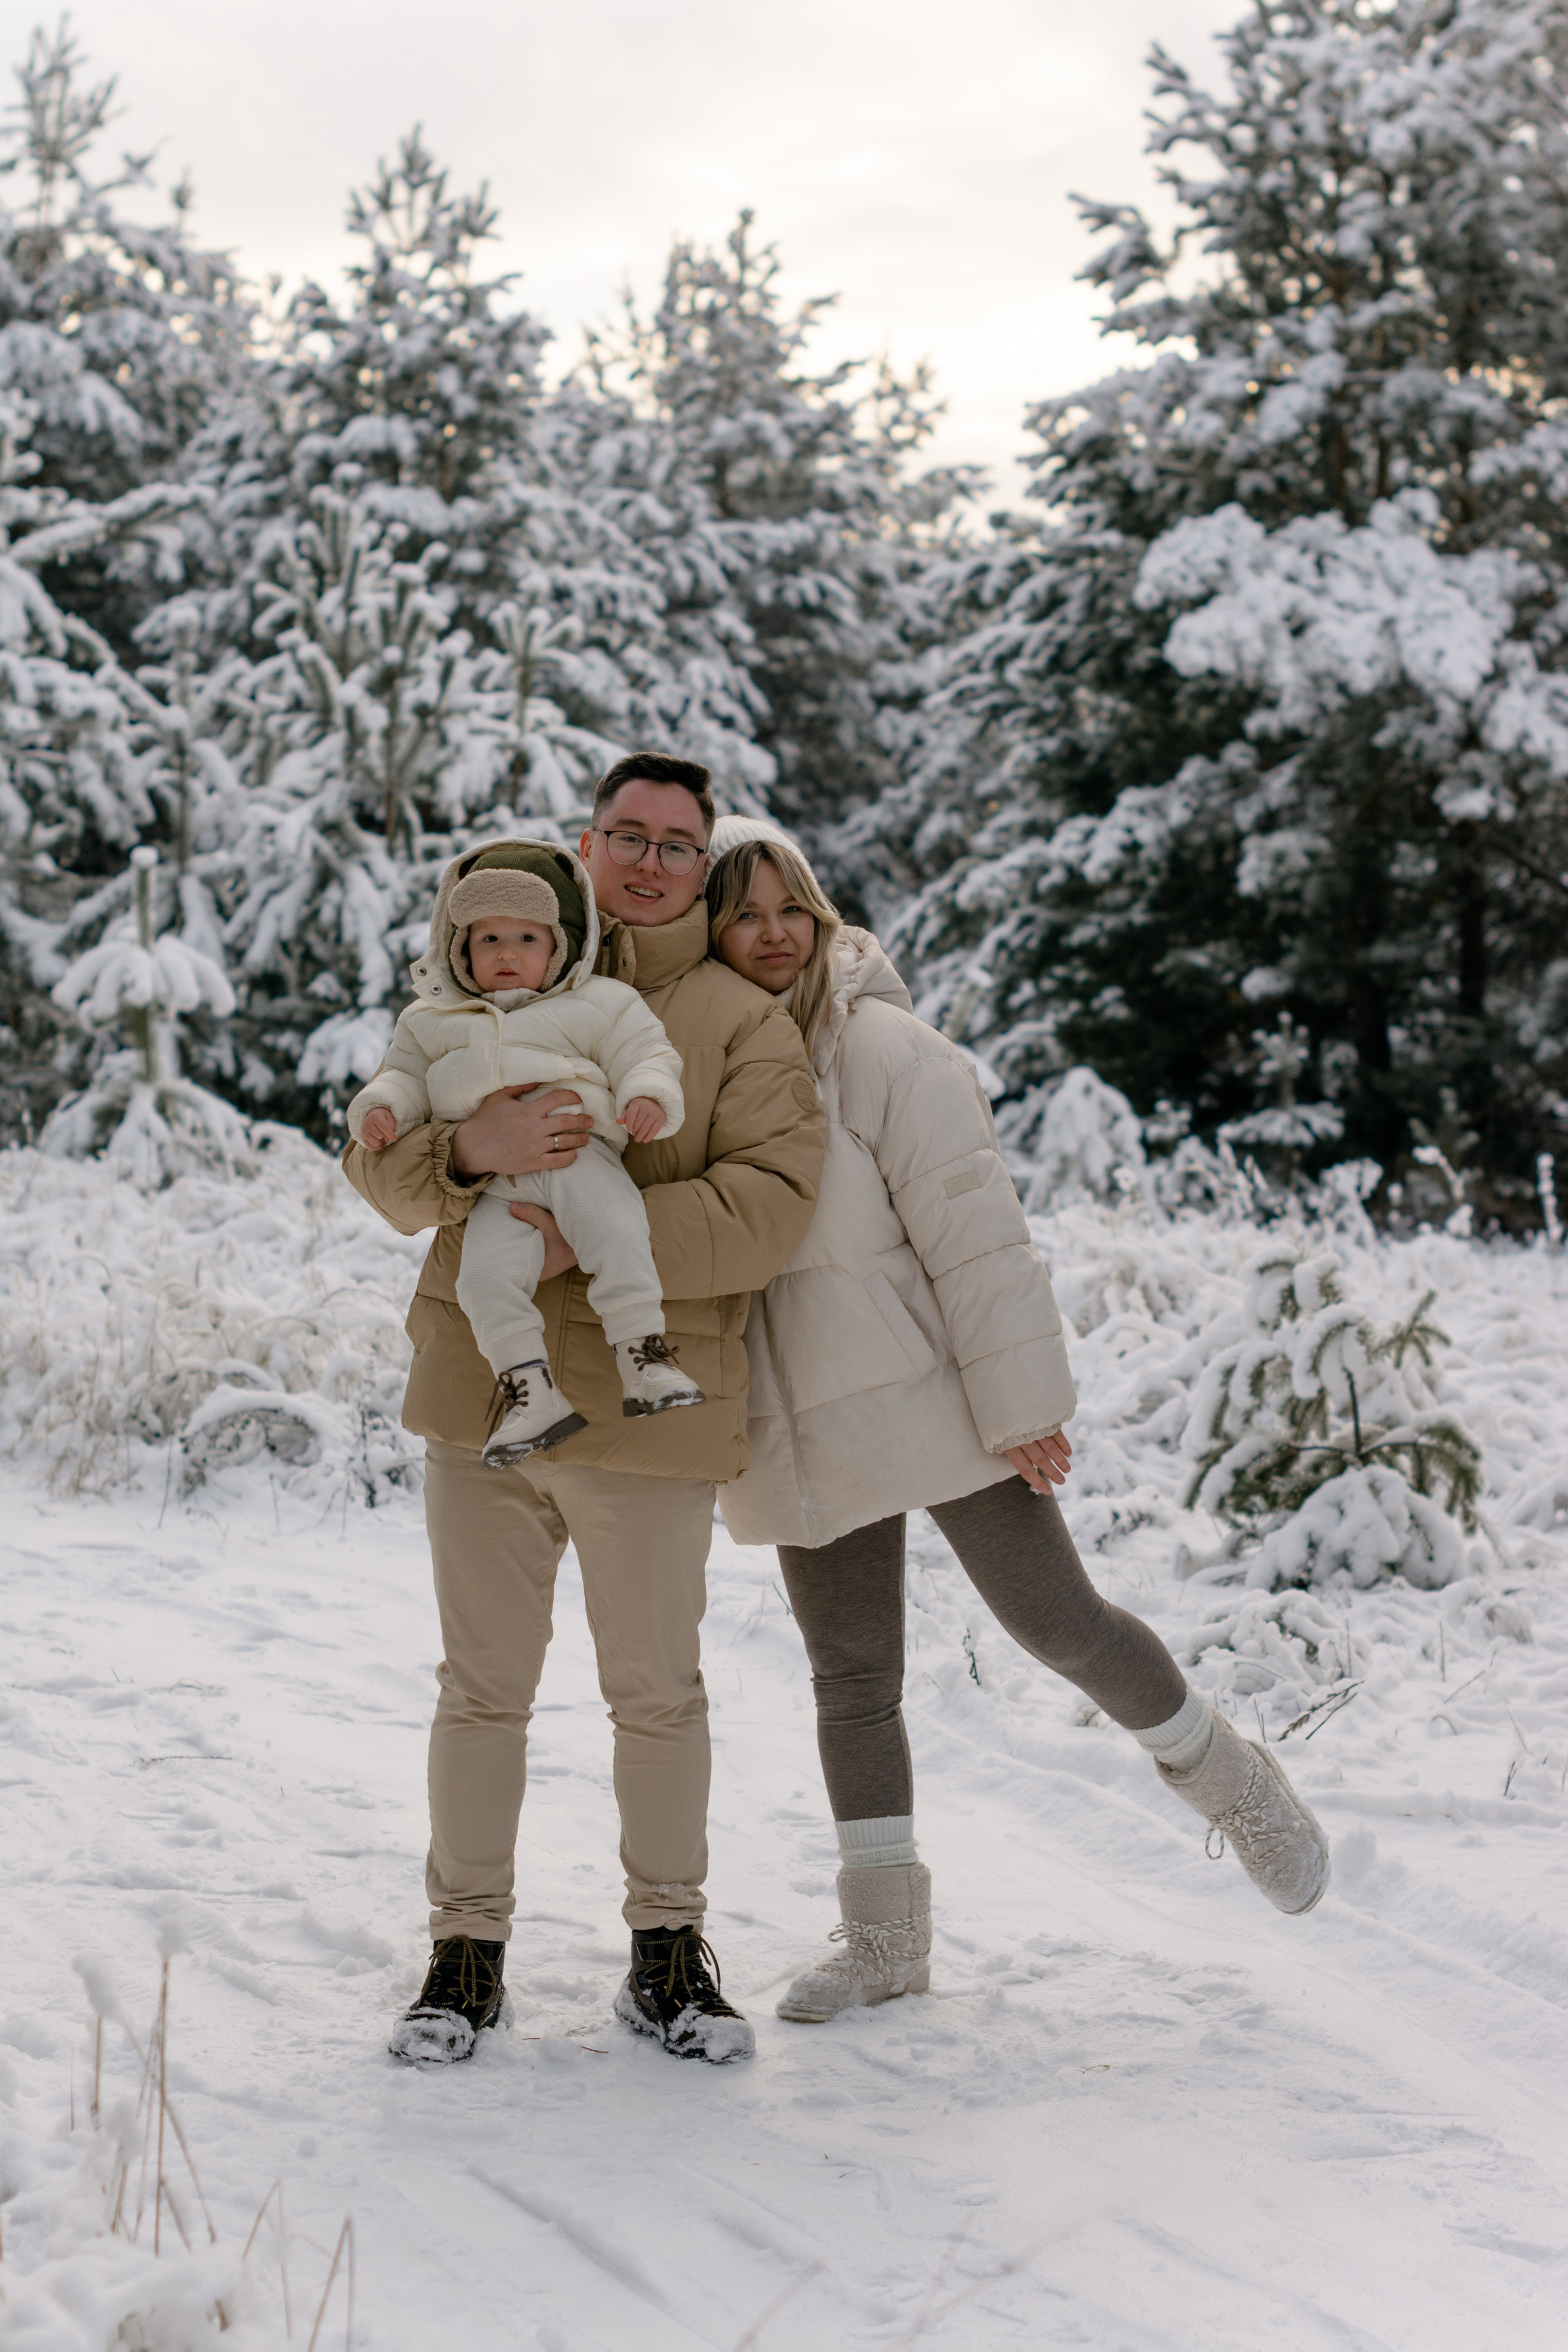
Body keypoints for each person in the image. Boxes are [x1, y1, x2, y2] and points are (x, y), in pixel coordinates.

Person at [704, 817, 1330, 2025]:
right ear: (710, 935)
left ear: (821, 915)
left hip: (935, 1399)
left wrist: (1020, 1403)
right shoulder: (704, 1068)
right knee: (849, 1679)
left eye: (791, 908)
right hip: (799, 1418)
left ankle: (1234, 1785)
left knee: (1059, 1623)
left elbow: (974, 1231)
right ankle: (887, 1943)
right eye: (743, 914)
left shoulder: (882, 1048)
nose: (772, 934)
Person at [343, 757, 825, 2067]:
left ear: (703, 855)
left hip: (654, 1416)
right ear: (588, 843)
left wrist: (570, 1237)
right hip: (478, 1402)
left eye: (680, 842)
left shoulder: (737, 1021)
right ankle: (464, 1951)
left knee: (656, 1697)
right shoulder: (477, 983)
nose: (653, 861)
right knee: (479, 1690)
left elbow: (774, 1205)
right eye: (630, 835)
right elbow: (382, 1174)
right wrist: (464, 1156)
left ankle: (667, 1955)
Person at [346, 841, 704, 1465]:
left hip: (579, 1155)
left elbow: (645, 1053)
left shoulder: (598, 1003)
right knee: (481, 1282)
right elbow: (402, 1075)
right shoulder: (430, 1020)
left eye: (525, 939)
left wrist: (649, 1094)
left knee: (618, 1233)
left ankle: (643, 1356)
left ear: (560, 947)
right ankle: (528, 1392)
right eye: (489, 941)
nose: (507, 953)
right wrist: (380, 1110)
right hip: (496, 1184)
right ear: (461, 949)